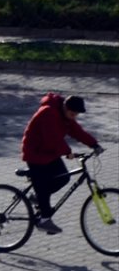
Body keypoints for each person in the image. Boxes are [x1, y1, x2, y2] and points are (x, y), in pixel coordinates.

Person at [20, 93, 101, 235]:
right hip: (35, 153)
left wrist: (94, 144)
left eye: (76, 114)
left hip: (49, 153)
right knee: (44, 186)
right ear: (65, 107)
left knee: (63, 177)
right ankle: (44, 220)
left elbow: (77, 132)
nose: (74, 116)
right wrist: (68, 152)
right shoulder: (49, 113)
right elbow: (52, 139)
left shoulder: (66, 116)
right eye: (72, 113)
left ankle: (37, 197)